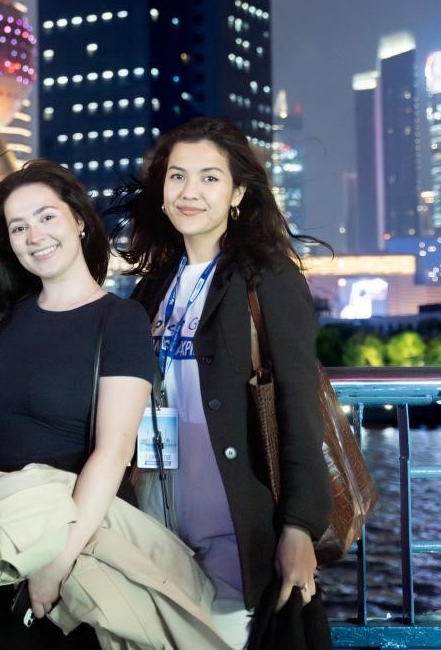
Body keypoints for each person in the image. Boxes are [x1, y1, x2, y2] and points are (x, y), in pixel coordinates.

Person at [115, 116, 333, 647]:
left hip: (235, 523)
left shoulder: (266, 278)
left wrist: (299, 527)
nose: (189, 192)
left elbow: (299, 407)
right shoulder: (152, 289)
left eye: (210, 178)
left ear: (237, 193)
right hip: (157, 518)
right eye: (177, 176)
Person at [0, 160, 157, 649]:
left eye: (47, 217)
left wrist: (57, 562)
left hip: (79, 544)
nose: (35, 236)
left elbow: (114, 452)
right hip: (1, 537)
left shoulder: (120, 320)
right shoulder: (1, 316)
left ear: (80, 222)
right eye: (18, 227)